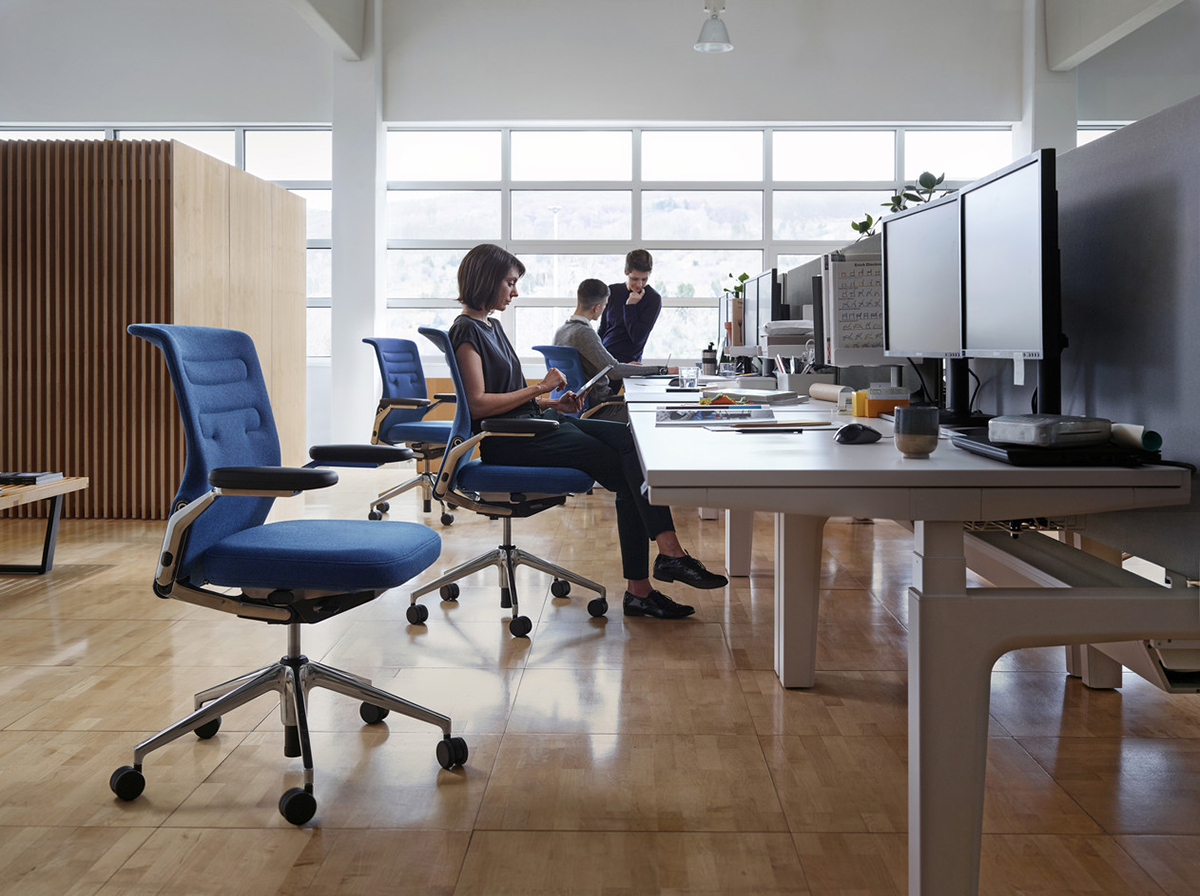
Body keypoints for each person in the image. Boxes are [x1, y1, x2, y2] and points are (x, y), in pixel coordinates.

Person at [449, 244, 727, 619]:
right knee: (629, 469)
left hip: (535, 423)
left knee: (632, 445)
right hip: (514, 440)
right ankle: (658, 569)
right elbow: (479, 405)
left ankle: (660, 566)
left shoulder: (491, 326)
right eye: (510, 283)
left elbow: (506, 397)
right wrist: (540, 389)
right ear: (486, 281)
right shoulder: (466, 331)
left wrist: (552, 403)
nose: (515, 292)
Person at [553, 278, 676, 423]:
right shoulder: (584, 333)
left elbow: (605, 366)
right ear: (596, 308)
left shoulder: (561, 331)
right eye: (605, 305)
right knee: (660, 414)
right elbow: (615, 371)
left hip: (576, 406)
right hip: (601, 407)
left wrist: (628, 367)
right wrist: (662, 370)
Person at [598, 248, 661, 363]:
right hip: (604, 357)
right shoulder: (612, 291)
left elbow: (638, 337)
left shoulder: (653, 299)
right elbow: (603, 329)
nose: (639, 284)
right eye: (634, 279)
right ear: (626, 272)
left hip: (628, 361)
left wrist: (630, 306)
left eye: (644, 279)